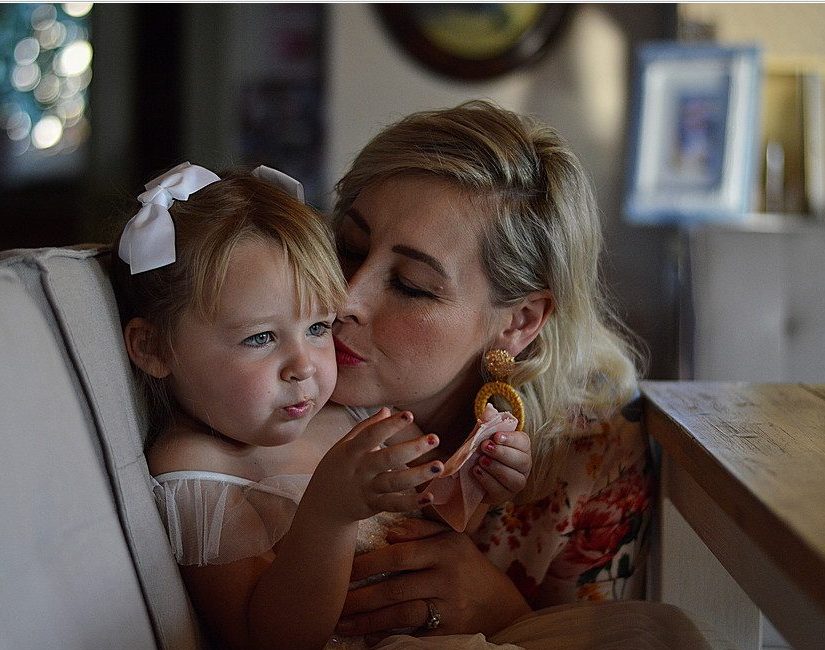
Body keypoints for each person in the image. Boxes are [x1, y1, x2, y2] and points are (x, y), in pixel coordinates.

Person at [110, 162, 532, 650]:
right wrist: (327, 515)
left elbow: (432, 518)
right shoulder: (196, 468)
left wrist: (477, 478)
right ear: (154, 349)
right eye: (261, 337)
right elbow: (264, 639)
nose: (304, 366)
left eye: (318, 328)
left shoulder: (343, 414)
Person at [304, 100, 658, 642]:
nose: (344, 298)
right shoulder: (266, 381)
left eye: (411, 285)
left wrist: (502, 614)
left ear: (519, 322)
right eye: (348, 248)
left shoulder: (590, 452)